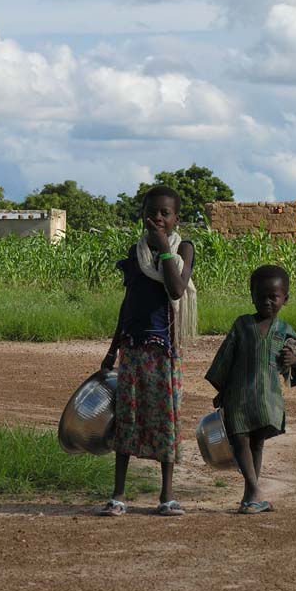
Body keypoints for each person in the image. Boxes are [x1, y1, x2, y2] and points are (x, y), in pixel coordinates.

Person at [99, 185, 196, 517]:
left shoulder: (183, 248)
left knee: (166, 422)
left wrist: (164, 249)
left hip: (165, 353)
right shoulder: (135, 253)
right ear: (143, 216)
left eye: (164, 213)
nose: (158, 218)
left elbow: (176, 288)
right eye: (152, 212)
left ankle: (166, 495)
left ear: (175, 218)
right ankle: (118, 494)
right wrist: (112, 351)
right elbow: (128, 305)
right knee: (127, 420)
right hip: (134, 349)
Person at [205, 265, 296, 514]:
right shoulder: (242, 325)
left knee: (257, 443)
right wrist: (221, 389)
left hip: (267, 399)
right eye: (260, 296)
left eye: (273, 297)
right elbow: (224, 360)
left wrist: (294, 361)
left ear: (285, 298)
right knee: (240, 440)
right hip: (238, 396)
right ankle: (255, 491)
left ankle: (249, 497)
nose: (267, 301)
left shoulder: (284, 331)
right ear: (251, 296)